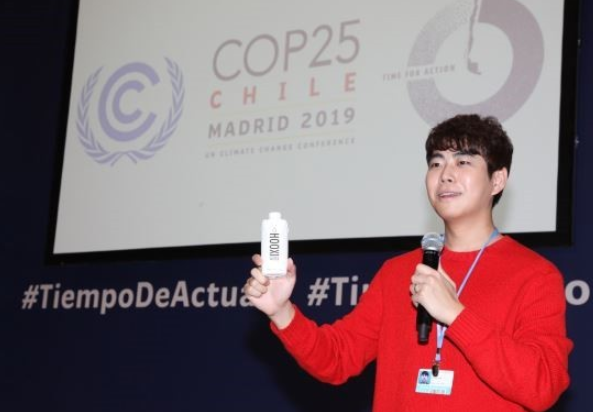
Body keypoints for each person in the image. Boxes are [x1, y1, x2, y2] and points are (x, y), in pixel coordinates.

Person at [243, 114, 572, 411]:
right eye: (436, 163)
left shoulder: (534, 275)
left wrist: (456, 314)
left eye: (463, 162)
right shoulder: (397, 272)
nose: (445, 175)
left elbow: (541, 386)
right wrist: (281, 312)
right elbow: (337, 359)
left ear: (497, 180)